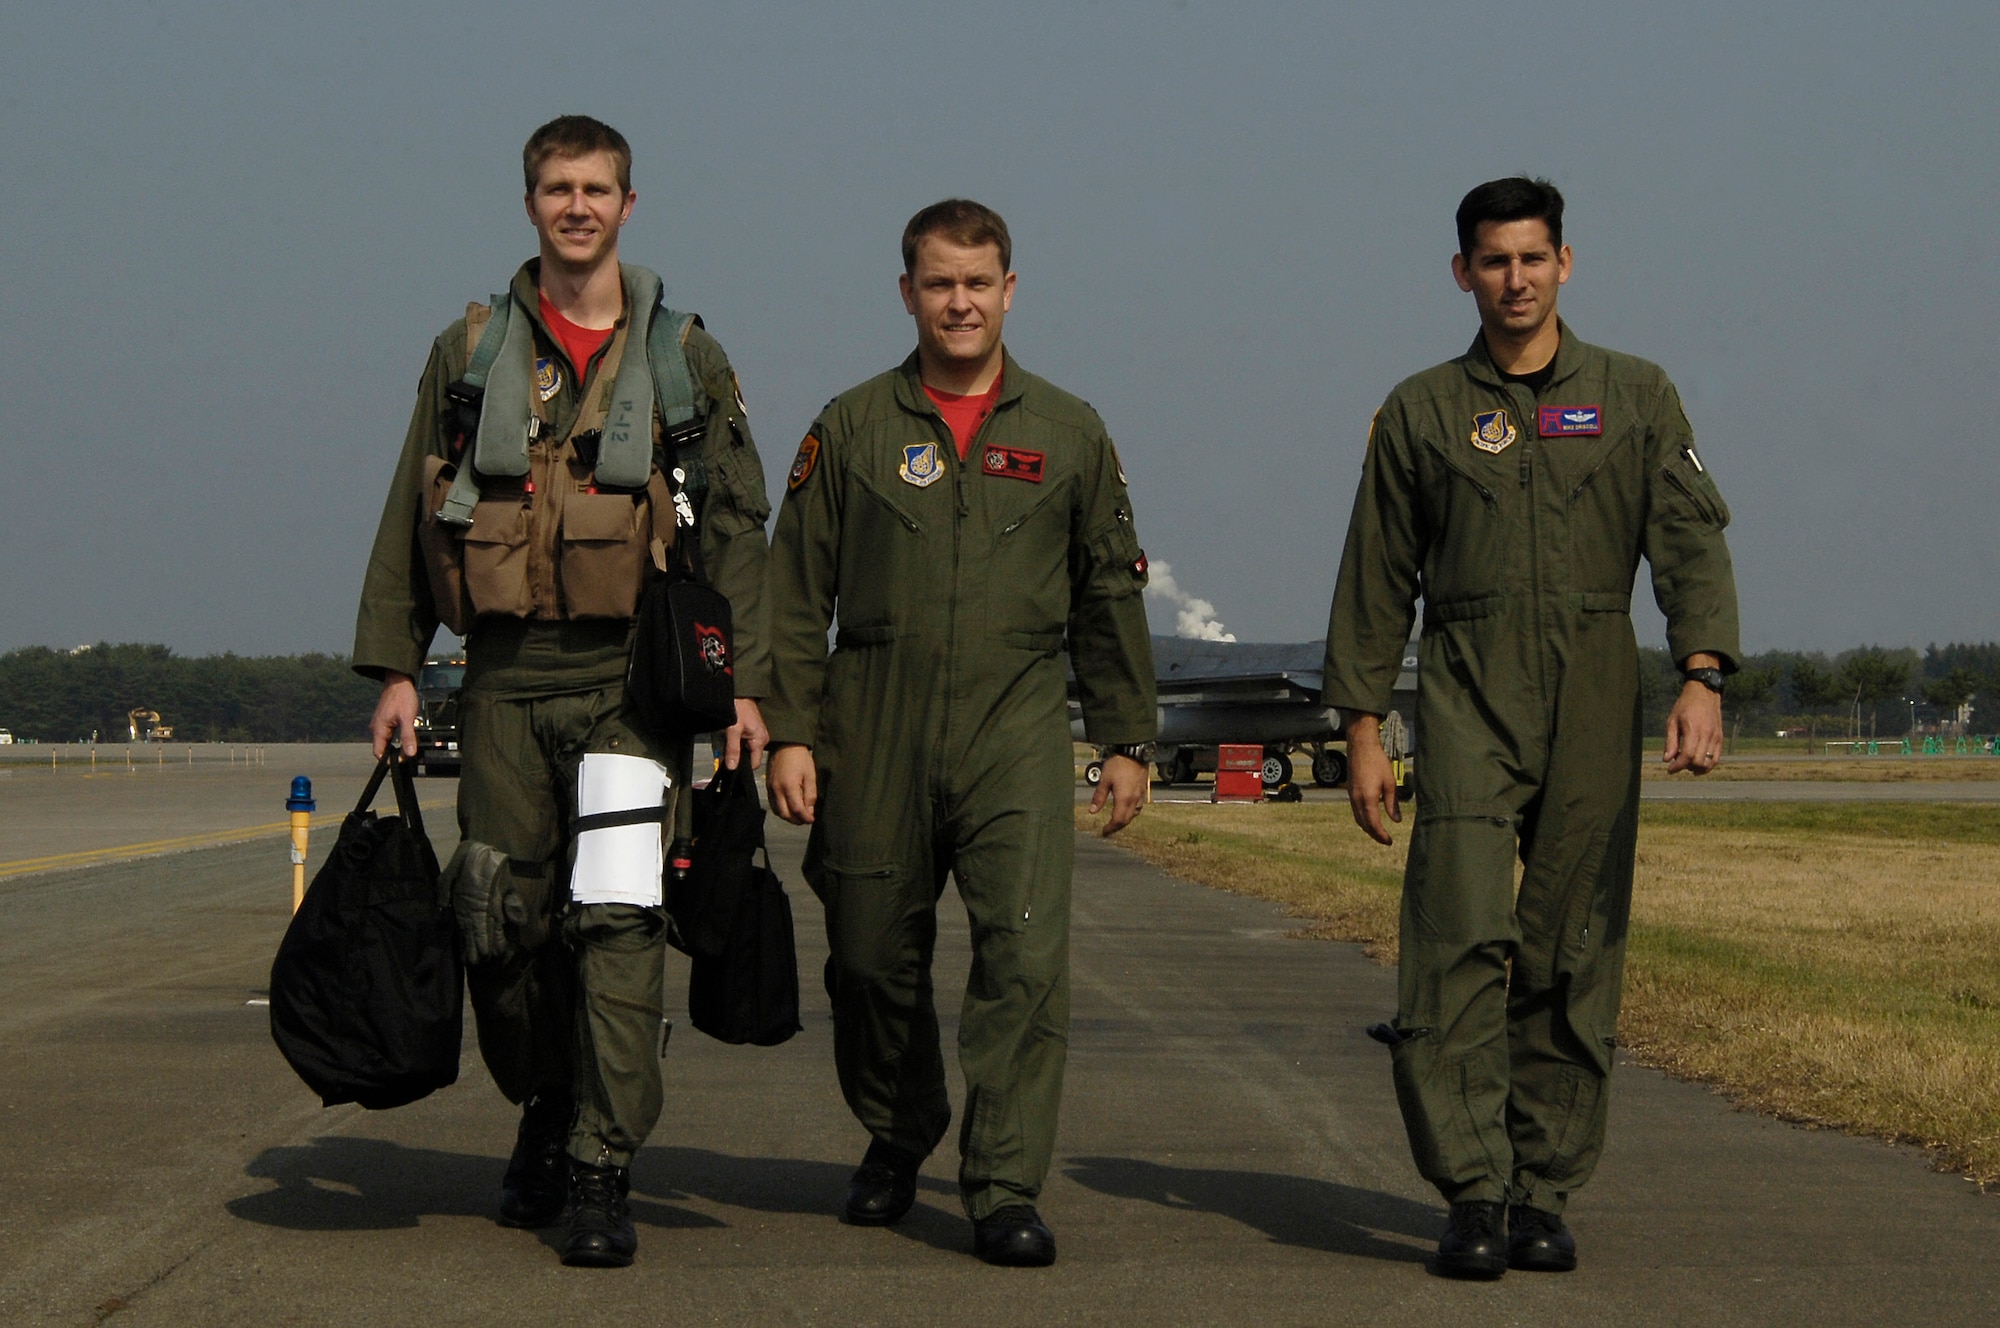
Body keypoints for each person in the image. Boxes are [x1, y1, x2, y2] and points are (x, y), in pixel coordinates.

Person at [351, 115, 773, 1268]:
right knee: (498, 915)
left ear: (628, 205)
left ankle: (599, 1161)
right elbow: (411, 504)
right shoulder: (470, 350)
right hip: (499, 677)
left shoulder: (684, 352)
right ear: (529, 202)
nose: (576, 205)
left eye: (596, 188)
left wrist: (742, 686)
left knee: (621, 914)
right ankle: (543, 1099)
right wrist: (397, 664)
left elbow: (736, 520)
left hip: (631, 679)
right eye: (555, 188)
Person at [1322, 177, 1739, 1279]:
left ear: (1564, 263)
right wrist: (1362, 725)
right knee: (1456, 933)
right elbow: (1376, 577)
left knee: (1572, 941)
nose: (1513, 277)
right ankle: (1468, 1188)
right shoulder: (1419, 410)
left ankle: (1540, 1187)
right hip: (1464, 684)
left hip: (1596, 683)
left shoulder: (1634, 394)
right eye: (1492, 260)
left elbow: (1687, 542)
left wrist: (1698, 673)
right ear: (1460, 272)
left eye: (1531, 257)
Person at [762, 199, 1156, 1267]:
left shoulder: (1067, 431)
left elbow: (1108, 593)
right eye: (938, 283)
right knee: (863, 957)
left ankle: (1002, 1183)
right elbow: (792, 591)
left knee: (1023, 957)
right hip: (872, 717)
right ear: (906, 293)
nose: (959, 302)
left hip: (1014, 718)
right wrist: (789, 731)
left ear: (1009, 290)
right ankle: (899, 1127)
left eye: (978, 282)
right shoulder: (849, 428)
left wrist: (1125, 735)